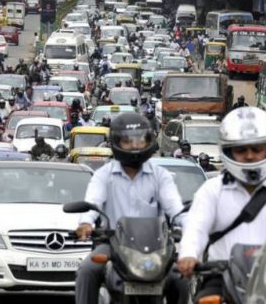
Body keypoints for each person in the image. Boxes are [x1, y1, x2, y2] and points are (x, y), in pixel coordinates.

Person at [177, 107, 266, 300]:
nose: (249, 156)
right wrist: (189, 254)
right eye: (241, 150)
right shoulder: (212, 190)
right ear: (228, 151)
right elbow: (196, 227)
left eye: (257, 149)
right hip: (220, 277)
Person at [74, 113, 187, 304]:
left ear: (149, 141)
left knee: (181, 277)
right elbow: (92, 202)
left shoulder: (161, 176)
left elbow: (175, 209)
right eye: (128, 141)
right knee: (87, 269)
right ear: (116, 142)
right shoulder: (104, 175)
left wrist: (193, 228)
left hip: (156, 248)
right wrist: (86, 223)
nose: (135, 146)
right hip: (112, 244)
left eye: (140, 140)